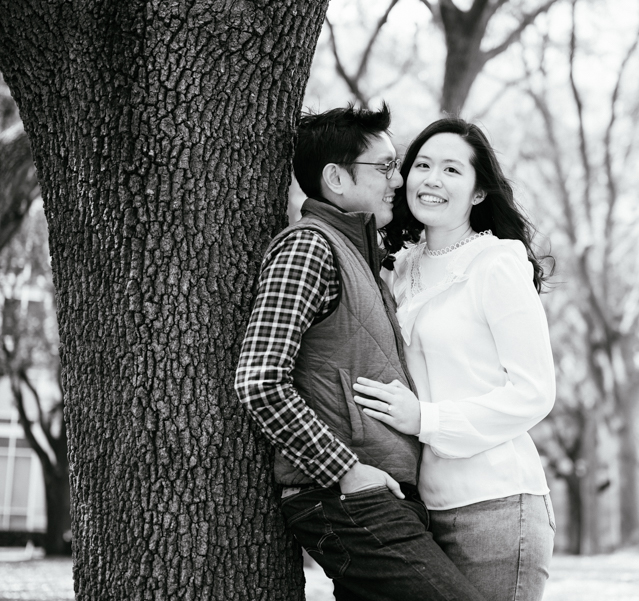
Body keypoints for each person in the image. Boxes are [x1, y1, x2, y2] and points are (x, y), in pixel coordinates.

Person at [234, 105, 485, 601]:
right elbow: (259, 379)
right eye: (385, 166)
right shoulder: (308, 248)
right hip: (344, 498)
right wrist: (346, 472)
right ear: (336, 177)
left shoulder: (362, 257)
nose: (400, 179)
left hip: (378, 494)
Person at [352, 118, 556, 601]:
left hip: (498, 505)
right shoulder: (398, 268)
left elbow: (534, 392)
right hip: (420, 508)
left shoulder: (497, 264)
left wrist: (427, 419)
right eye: (422, 165)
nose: (432, 180)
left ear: (479, 192)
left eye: (451, 169)